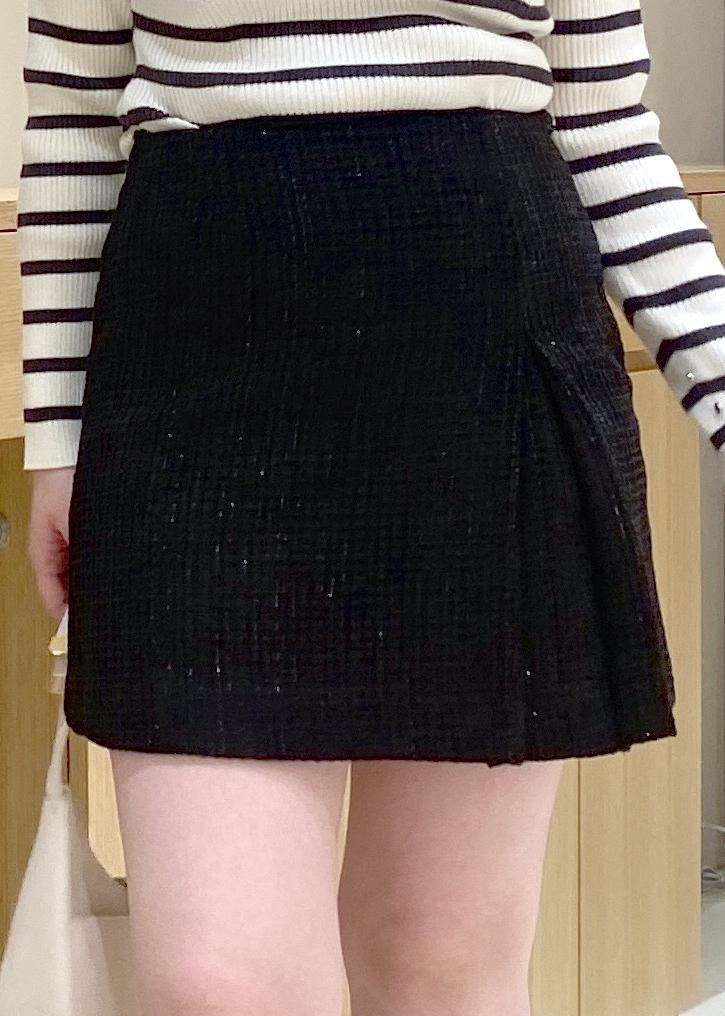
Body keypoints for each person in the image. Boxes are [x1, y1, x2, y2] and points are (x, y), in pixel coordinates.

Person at [18, 2, 725, 1014]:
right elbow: (75, 125)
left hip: (485, 358)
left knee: (436, 959)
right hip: (190, 360)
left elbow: (606, 131)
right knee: (220, 982)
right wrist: (59, 438)